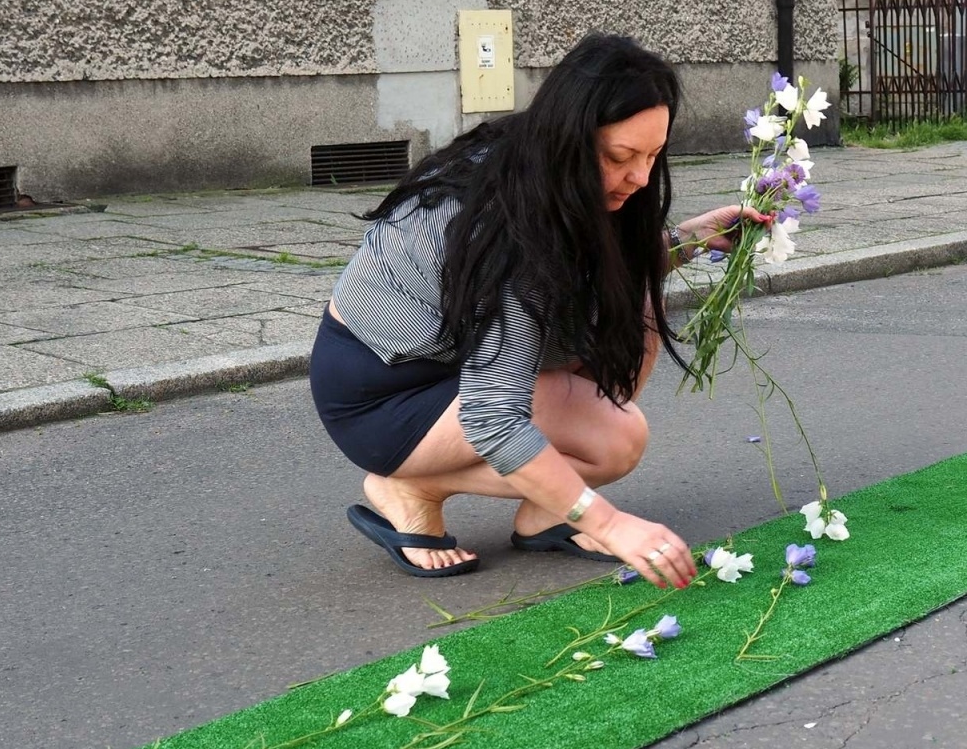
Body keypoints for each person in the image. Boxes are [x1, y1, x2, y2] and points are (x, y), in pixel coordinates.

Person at [309, 33, 767, 589]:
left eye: (653, 155)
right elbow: (493, 417)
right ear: (570, 139)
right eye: (621, 157)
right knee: (613, 436)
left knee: (626, 367)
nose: (642, 178)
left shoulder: (547, 168)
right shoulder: (508, 222)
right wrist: (609, 523)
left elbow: (597, 271)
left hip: (454, 360)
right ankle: (412, 487)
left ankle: (546, 512)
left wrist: (686, 240)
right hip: (383, 392)